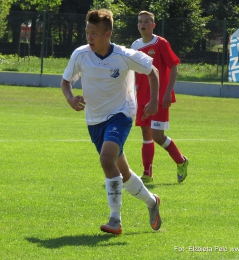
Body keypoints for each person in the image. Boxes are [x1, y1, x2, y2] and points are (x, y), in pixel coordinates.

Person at [60, 9, 161, 235]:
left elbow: (152, 70)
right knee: (122, 172)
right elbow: (65, 82)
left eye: (94, 33)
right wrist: (70, 98)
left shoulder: (124, 55)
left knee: (107, 159)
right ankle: (152, 202)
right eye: (87, 32)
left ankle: (115, 219)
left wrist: (153, 101)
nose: (89, 37)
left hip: (120, 115)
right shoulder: (80, 55)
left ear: (108, 34)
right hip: (94, 121)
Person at [131, 11, 189, 184]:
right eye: (140, 21)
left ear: (153, 25)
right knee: (145, 133)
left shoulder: (161, 43)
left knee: (157, 135)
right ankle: (147, 172)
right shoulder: (134, 46)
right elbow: (133, 72)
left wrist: (168, 93)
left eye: (147, 21)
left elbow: (173, 67)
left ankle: (181, 160)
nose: (143, 24)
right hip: (142, 96)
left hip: (160, 97)